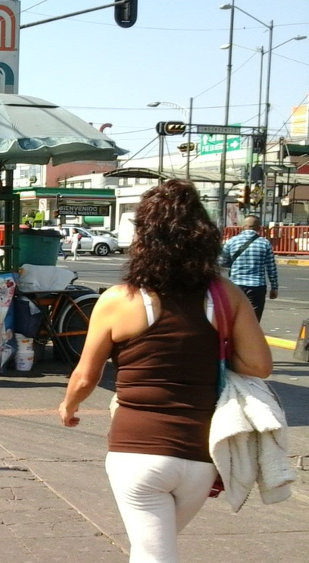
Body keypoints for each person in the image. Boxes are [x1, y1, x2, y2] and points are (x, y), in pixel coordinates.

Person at [58, 180, 272, 562]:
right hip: (201, 457)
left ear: (142, 237)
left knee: (154, 555)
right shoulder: (226, 295)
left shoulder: (118, 299)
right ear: (204, 237)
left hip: (137, 453)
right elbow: (259, 366)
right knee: (152, 551)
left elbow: (85, 376)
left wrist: (69, 407)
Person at [219, 215, 279, 321]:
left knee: (235, 316)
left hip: (236, 285)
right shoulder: (264, 243)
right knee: (254, 319)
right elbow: (271, 268)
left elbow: (222, 262)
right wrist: (274, 287)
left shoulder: (232, 241)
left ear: (243, 226)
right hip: (257, 286)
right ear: (259, 228)